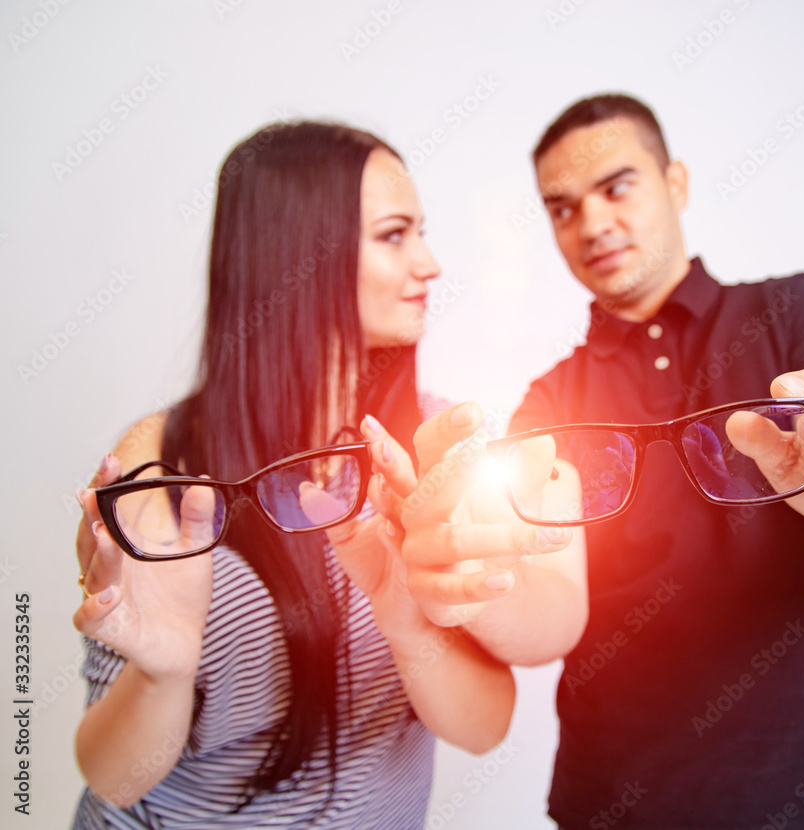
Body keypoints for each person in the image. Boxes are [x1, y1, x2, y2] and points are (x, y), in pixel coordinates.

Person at [381, 94, 804, 829]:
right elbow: (554, 613)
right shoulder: (547, 406)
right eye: (562, 208)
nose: (592, 225)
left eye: (616, 187)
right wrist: (471, 585)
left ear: (676, 183)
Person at [70, 121, 515, 829]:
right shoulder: (165, 466)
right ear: (299, 254)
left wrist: (408, 622)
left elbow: (485, 726)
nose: (429, 263)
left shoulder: (433, 445)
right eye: (396, 235)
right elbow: (115, 779)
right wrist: (165, 674)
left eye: (420, 232)